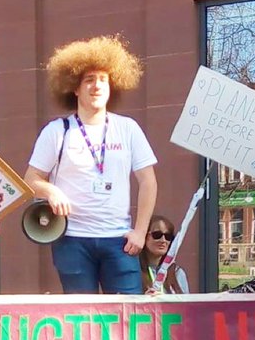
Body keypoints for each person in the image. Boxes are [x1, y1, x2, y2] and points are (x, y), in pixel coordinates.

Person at [24, 35, 158, 294]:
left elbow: (148, 181)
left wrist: (140, 232)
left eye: (103, 80)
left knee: (129, 313)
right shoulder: (57, 131)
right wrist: (51, 191)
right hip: (72, 240)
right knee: (82, 315)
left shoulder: (128, 128)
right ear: (75, 88)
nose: (97, 86)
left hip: (119, 241)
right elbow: (30, 179)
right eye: (89, 80)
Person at [139, 214, 188, 293]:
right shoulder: (134, 271)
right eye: (157, 235)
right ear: (144, 236)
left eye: (168, 236)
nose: (163, 240)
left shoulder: (177, 272)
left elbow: (186, 300)